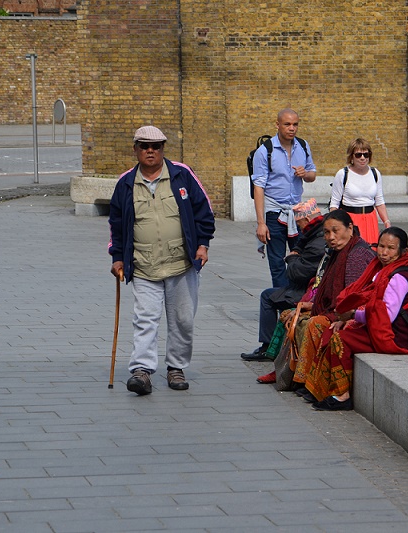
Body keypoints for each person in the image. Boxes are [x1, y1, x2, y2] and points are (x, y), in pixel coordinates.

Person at [108, 125, 215, 396]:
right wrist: (117, 257)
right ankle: (142, 371)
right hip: (144, 265)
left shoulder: (182, 175)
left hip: (181, 263)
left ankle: (176, 367)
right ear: (135, 150)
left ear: (163, 149)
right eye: (144, 146)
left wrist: (203, 245)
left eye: (155, 146)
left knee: (182, 319)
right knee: (145, 319)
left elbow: (204, 211)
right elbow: (117, 224)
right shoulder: (126, 183)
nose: (150, 151)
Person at [304, 227, 408, 411]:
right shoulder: (381, 270)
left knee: (340, 339)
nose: (383, 252)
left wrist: (352, 315)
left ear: (403, 251)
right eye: (381, 246)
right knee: (333, 329)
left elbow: (386, 315)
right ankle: (320, 388)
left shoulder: (399, 277)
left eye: (390, 248)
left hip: (393, 335)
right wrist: (347, 317)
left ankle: (342, 395)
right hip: (380, 327)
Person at [257, 209, 375, 386]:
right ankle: (284, 369)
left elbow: (353, 297)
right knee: (290, 315)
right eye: (327, 232)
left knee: (312, 324)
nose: (331, 237)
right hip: (332, 307)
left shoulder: (357, 254)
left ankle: (303, 378)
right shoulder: (335, 251)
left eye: (336, 231)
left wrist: (337, 316)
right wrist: (311, 304)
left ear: (350, 228)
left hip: (348, 313)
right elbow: (324, 287)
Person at [241, 198, 327, 362]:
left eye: (299, 223)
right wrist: (297, 249)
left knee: (268, 296)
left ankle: (267, 347)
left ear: (307, 220)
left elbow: (296, 273)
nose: (299, 228)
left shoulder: (316, 243)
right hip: (309, 287)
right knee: (273, 293)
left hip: (309, 293)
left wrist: (292, 259)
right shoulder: (315, 235)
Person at [251, 108, 317, 288]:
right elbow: (259, 187)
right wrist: (261, 222)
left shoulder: (303, 146)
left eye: (295, 124)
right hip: (274, 212)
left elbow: (312, 175)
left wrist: (305, 174)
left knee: (303, 258)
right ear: (277, 125)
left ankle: (297, 301)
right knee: (277, 263)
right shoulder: (265, 151)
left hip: (298, 211)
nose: (292, 128)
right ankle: (281, 303)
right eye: (287, 124)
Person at [328, 138, 392, 245]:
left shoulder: (375, 173)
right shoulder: (343, 174)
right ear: (352, 156)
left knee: (371, 253)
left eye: (365, 155)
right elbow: (334, 203)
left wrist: (387, 222)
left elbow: (379, 201)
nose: (362, 158)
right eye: (358, 155)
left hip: (370, 219)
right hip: (350, 220)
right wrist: (333, 225)